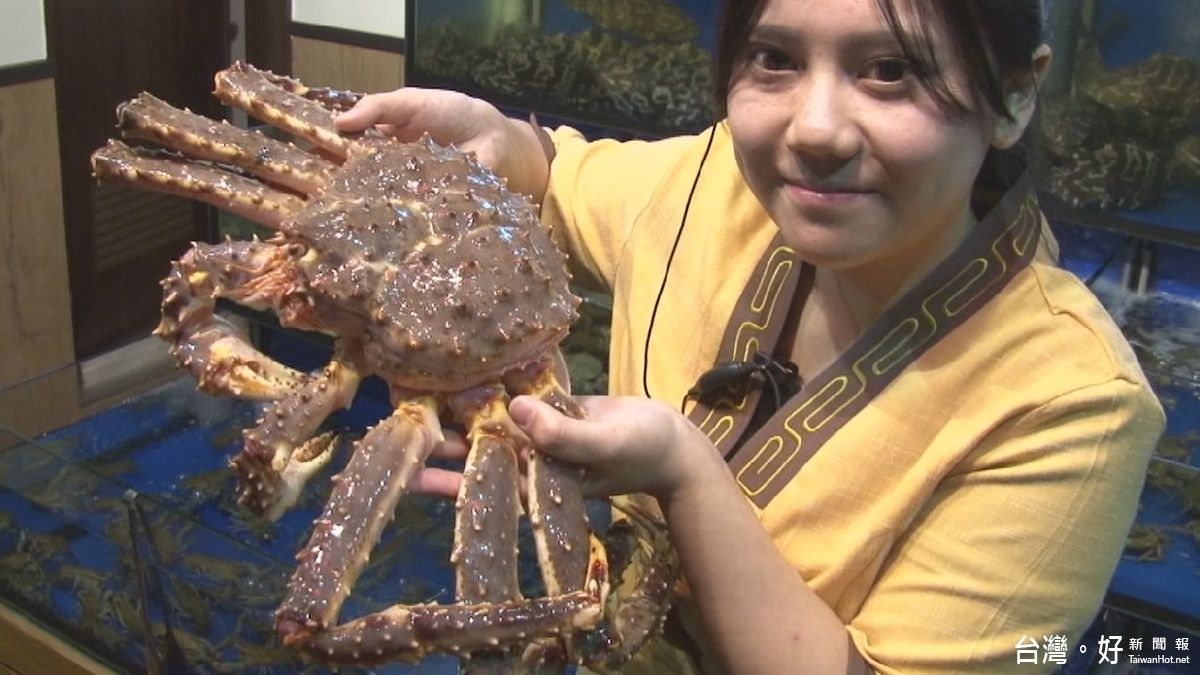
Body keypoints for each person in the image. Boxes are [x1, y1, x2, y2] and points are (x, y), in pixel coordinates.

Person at [335, 1, 1164, 673]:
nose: (815, 130)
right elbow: (560, 180)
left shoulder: (1075, 402)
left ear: (1016, 95)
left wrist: (684, 474)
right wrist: (499, 137)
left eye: (890, 70)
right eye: (774, 59)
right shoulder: (713, 179)